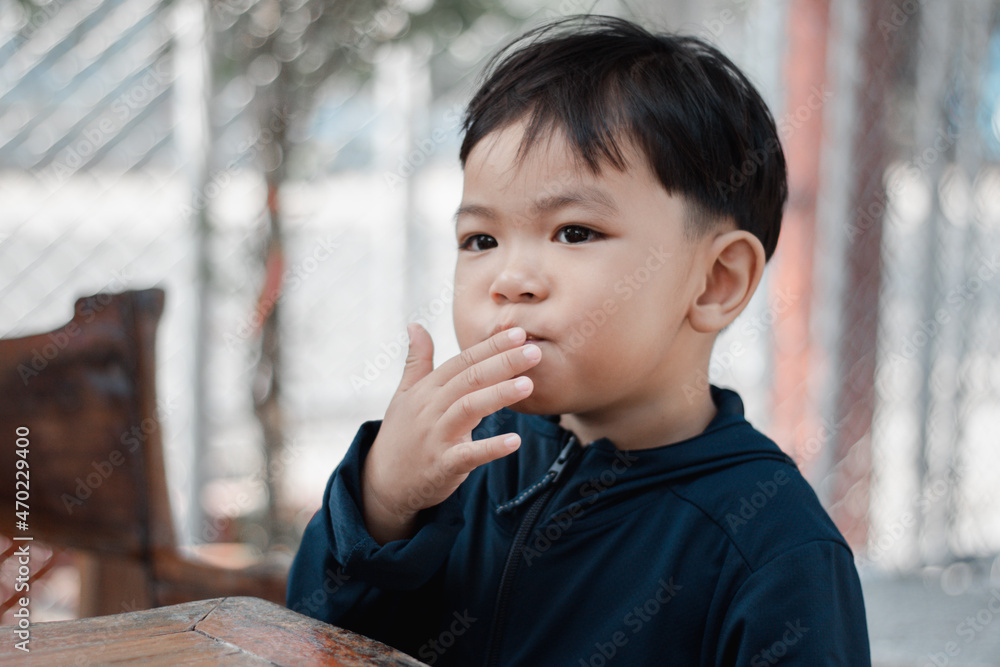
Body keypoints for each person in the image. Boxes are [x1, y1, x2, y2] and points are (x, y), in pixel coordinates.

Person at [287, 14, 871, 666]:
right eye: (482, 239)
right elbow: (313, 643)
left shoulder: (771, 545)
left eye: (573, 232)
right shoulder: (460, 465)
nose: (510, 278)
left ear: (713, 281)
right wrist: (382, 506)